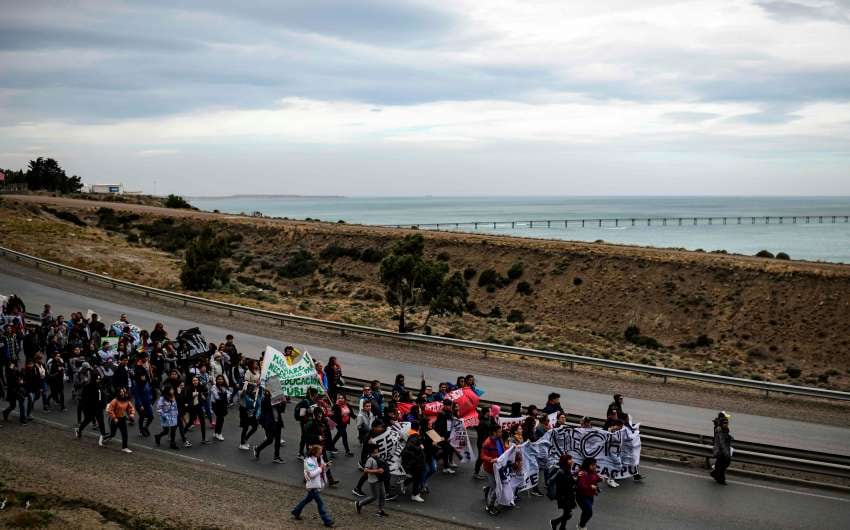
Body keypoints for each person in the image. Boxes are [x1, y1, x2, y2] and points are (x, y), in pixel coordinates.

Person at [291, 444, 334, 527]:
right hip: (312, 486)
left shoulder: (319, 459)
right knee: (320, 503)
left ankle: (296, 511)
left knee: (306, 500)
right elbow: (311, 474)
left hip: (316, 485)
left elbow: (322, 470)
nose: (321, 453)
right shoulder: (308, 461)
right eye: (320, 452)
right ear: (315, 452)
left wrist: (326, 466)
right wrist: (321, 467)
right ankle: (327, 520)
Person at [355, 443, 389, 518]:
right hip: (373, 480)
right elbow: (365, 470)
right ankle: (359, 503)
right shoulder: (370, 459)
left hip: (380, 479)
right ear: (374, 450)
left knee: (383, 495)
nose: (378, 449)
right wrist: (377, 471)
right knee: (374, 496)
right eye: (377, 448)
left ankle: (380, 511)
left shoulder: (377, 455)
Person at [254, 389, 285, 463]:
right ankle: (258, 449)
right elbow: (268, 406)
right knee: (270, 439)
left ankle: (276, 456)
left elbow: (281, 410)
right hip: (268, 423)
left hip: (277, 422)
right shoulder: (265, 399)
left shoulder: (277, 398)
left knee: (278, 440)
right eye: (267, 391)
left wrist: (283, 403)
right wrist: (278, 400)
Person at [103, 387, 136, 453]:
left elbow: (131, 408)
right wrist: (114, 418)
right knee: (112, 434)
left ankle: (124, 447)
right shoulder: (115, 401)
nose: (122, 393)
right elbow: (110, 410)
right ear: (118, 393)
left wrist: (132, 414)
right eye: (121, 392)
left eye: (123, 391)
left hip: (122, 418)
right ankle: (103, 438)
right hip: (114, 419)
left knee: (124, 434)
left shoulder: (126, 400)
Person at [481, 424, 505, 516]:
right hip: (490, 469)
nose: (501, 433)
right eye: (499, 432)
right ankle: (489, 506)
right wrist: (491, 459)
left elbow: (502, 451)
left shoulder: (500, 439)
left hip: (498, 467)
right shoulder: (487, 443)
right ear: (494, 433)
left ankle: (487, 490)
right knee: (496, 488)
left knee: (494, 485)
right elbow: (483, 456)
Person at [76, 372, 106, 442]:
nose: (99, 380)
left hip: (98, 407)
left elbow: (102, 395)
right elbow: (85, 398)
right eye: (98, 378)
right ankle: (79, 430)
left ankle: (103, 434)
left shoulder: (99, 385)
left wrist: (102, 404)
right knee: (87, 420)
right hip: (91, 408)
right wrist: (87, 407)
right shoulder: (89, 386)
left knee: (101, 421)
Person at [550, 454, 577, 530]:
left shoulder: (567, 470)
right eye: (570, 459)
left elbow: (570, 481)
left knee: (567, 514)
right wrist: (575, 481)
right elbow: (565, 485)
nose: (572, 461)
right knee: (567, 514)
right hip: (564, 497)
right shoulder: (562, 472)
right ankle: (555, 523)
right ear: (565, 461)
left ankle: (560, 526)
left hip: (568, 496)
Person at [474, 404, 499, 479]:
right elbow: (489, 426)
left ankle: (487, 470)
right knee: (481, 457)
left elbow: (495, 426)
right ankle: (476, 473)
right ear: (486, 412)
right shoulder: (480, 421)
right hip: (481, 441)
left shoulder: (490, 418)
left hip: (488, 441)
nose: (491, 412)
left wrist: (495, 419)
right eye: (489, 411)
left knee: (488, 456)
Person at [576, 457, 602, 530]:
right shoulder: (582, 473)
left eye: (595, 464)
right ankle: (581, 525)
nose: (594, 466)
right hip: (581, 496)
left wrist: (600, 479)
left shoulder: (593, 472)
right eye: (592, 465)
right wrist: (591, 486)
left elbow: (595, 478)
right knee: (589, 512)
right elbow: (581, 485)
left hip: (590, 496)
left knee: (586, 511)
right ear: (587, 465)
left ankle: (581, 525)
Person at [183, 376, 209, 445]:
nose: (195, 382)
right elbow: (186, 398)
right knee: (191, 421)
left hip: (199, 407)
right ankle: (183, 433)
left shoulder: (201, 386)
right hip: (192, 408)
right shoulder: (188, 388)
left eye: (196, 380)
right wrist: (193, 395)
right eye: (194, 380)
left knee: (203, 422)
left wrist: (203, 395)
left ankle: (204, 439)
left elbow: (206, 391)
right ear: (192, 382)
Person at [400, 434, 426, 502]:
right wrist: (420, 448)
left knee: (414, 478)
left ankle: (405, 484)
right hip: (416, 466)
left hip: (416, 465)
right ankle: (415, 495)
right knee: (417, 479)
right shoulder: (414, 449)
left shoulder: (410, 446)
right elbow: (413, 458)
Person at [295, 387, 319, 459]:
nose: (317, 395)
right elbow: (302, 414)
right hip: (305, 423)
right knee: (305, 437)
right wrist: (308, 411)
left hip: (310, 422)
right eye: (316, 394)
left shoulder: (313, 401)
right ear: (314, 394)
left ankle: (306, 452)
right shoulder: (305, 401)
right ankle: (301, 453)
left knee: (307, 437)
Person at [711, 411, 733, 485]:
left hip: (721, 449)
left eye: (727, 422)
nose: (727, 424)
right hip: (720, 450)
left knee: (720, 464)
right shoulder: (719, 429)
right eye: (725, 422)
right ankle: (720, 479)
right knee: (724, 462)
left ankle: (716, 475)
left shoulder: (722, 427)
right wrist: (726, 452)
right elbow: (721, 442)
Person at [330, 393, 354, 457]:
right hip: (339, 424)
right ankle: (347, 451)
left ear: (345, 399)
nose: (340, 399)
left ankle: (331, 445)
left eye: (342, 398)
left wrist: (356, 418)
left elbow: (351, 413)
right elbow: (332, 416)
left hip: (345, 423)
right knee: (344, 435)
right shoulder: (335, 406)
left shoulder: (347, 405)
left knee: (339, 434)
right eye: (339, 398)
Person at [209, 374, 230, 441]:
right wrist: (224, 394)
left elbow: (229, 394)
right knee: (221, 419)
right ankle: (219, 433)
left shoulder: (224, 386)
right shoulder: (214, 387)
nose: (220, 380)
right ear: (216, 380)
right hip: (216, 405)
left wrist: (223, 394)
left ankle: (216, 433)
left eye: (221, 379)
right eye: (218, 379)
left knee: (219, 419)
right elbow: (217, 397)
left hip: (223, 404)